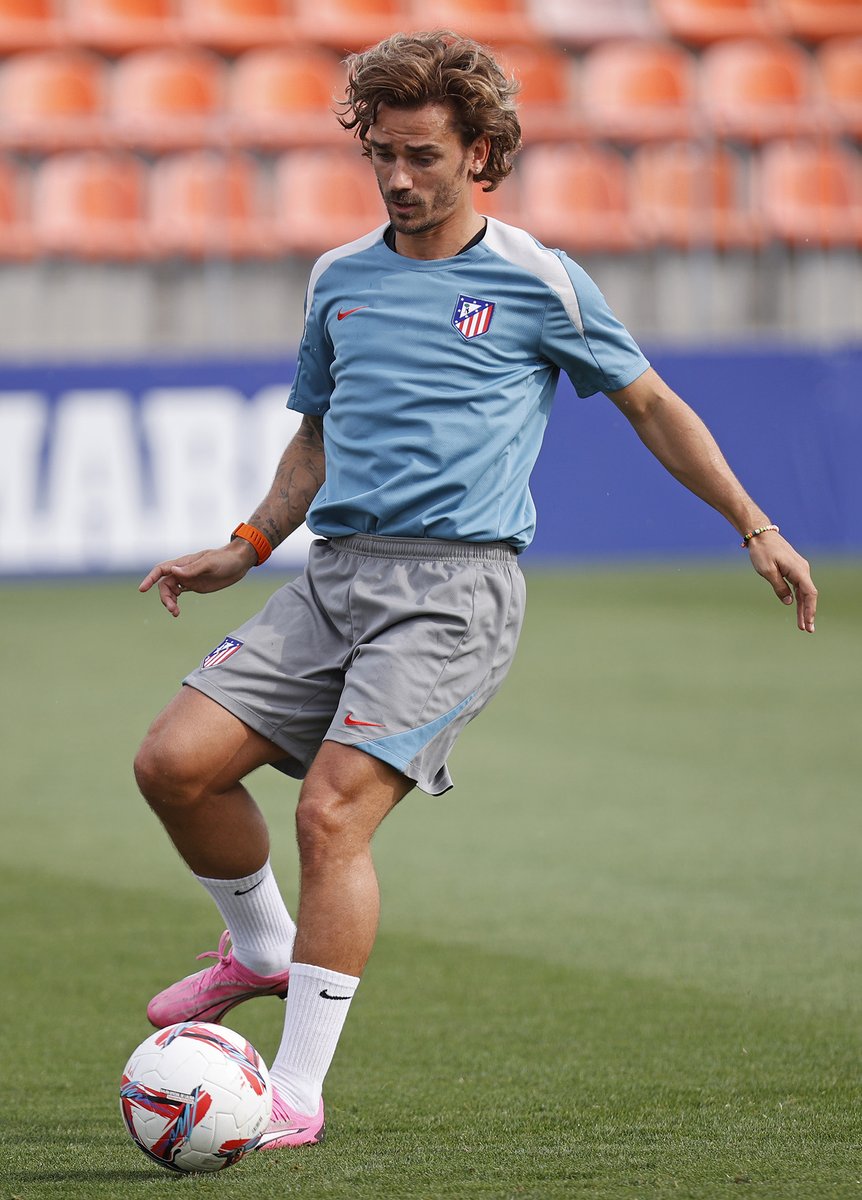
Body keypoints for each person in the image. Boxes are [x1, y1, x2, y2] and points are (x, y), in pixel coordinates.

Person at [134, 30, 818, 1150]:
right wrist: (247, 543)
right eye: (382, 156)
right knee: (173, 765)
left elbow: (651, 404)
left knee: (329, 812)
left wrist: (755, 523)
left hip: (454, 595)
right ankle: (260, 951)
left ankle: (294, 1091)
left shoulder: (539, 279)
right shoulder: (339, 278)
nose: (399, 179)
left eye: (423, 156)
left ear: (481, 153)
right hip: (332, 578)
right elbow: (317, 433)